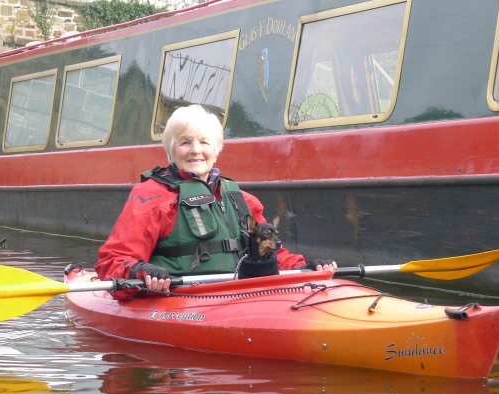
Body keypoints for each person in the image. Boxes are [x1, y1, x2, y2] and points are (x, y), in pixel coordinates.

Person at [95, 105, 336, 298]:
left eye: (204, 142)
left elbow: (269, 248)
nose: (195, 150)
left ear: (217, 149)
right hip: (181, 297)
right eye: (185, 142)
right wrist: (140, 271)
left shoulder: (242, 199)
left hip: (239, 294)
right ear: (171, 149)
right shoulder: (151, 196)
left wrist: (302, 269)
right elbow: (113, 261)